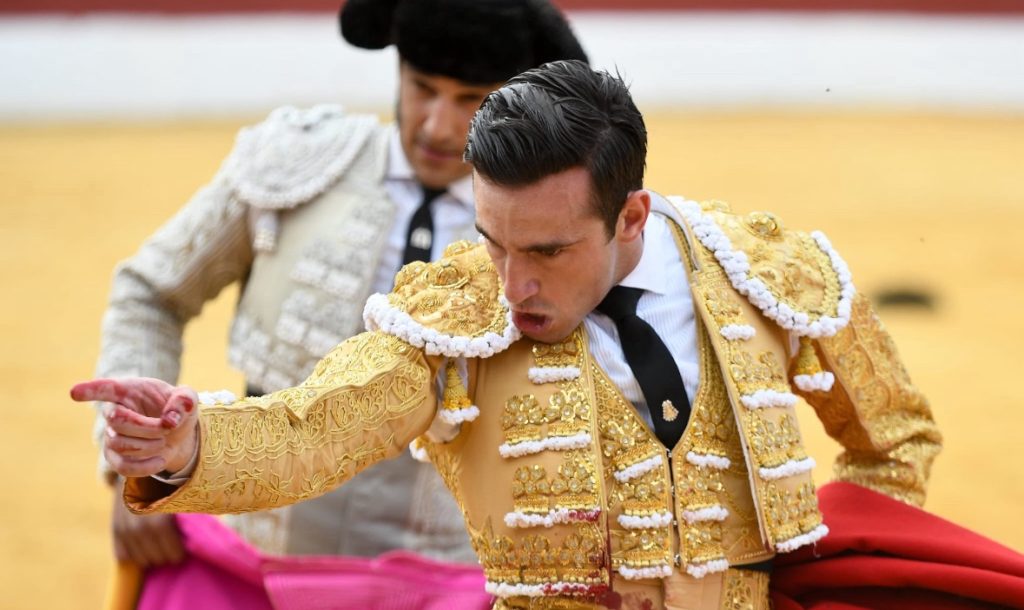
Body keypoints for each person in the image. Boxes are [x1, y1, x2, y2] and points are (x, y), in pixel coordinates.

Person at [79, 60, 948, 609]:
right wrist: (188, 446)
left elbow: (895, 438)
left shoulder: (765, 275)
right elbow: (316, 430)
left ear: (631, 216)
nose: (511, 285)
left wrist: (852, 581)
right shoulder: (456, 315)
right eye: (493, 240)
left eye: (548, 251)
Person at [89, 0, 586, 584]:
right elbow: (151, 292)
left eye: (471, 100)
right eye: (423, 88)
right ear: (398, 69)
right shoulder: (293, 161)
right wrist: (135, 464)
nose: (438, 126)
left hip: (445, 582)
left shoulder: (542, 224)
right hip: (253, 556)